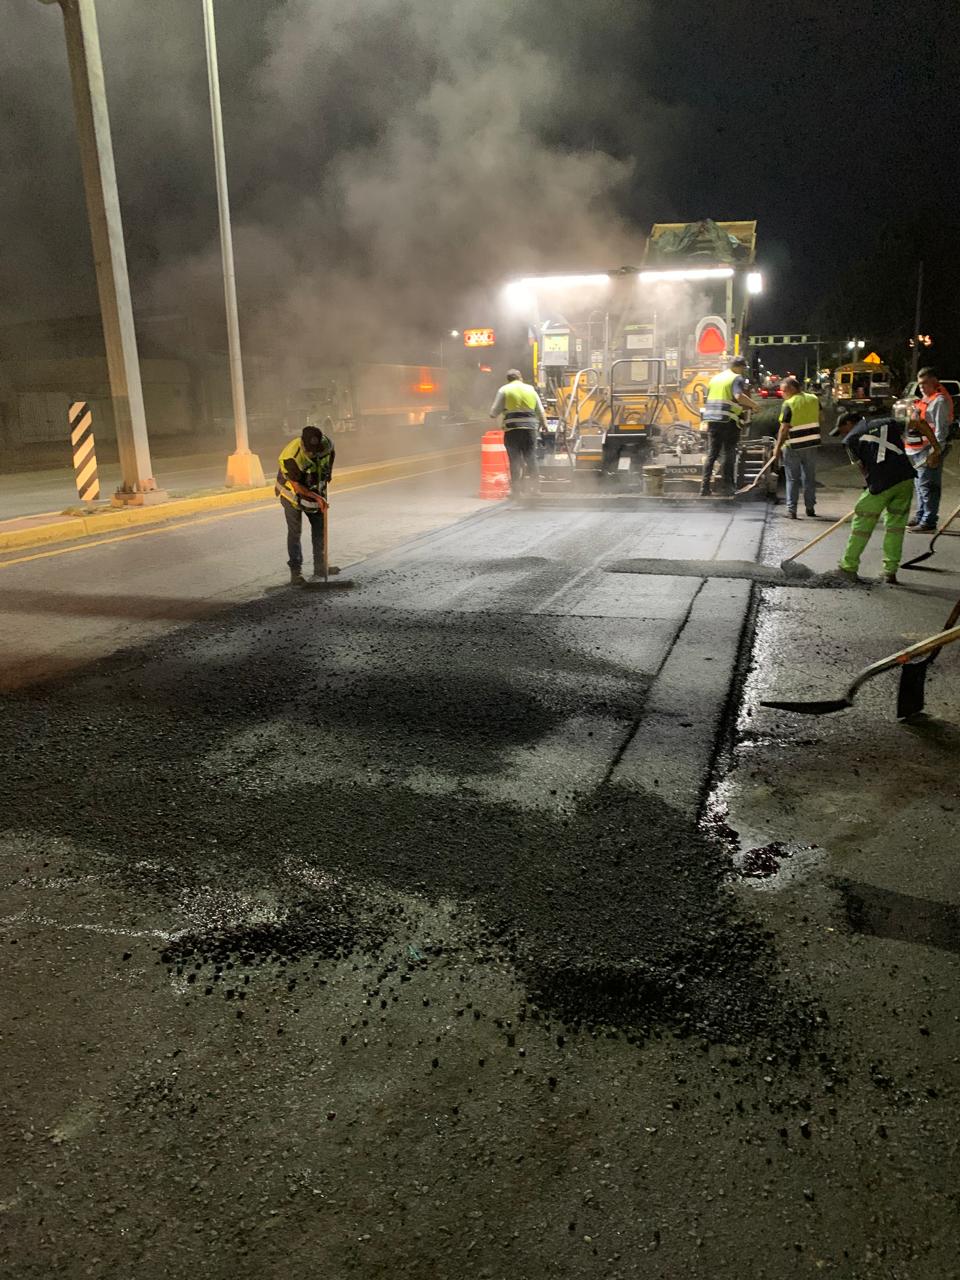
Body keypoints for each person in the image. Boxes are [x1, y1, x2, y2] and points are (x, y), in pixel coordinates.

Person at [835, 406, 940, 584]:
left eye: (841, 429)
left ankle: (848, 567)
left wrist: (872, 488)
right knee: (895, 528)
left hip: (881, 484)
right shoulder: (889, 422)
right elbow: (920, 422)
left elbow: (864, 470)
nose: (841, 434)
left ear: (849, 423)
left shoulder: (850, 440)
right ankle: (890, 571)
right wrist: (935, 449)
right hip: (905, 479)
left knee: (861, 526)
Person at [276, 422, 339, 584]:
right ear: (302, 443)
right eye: (309, 451)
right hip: (292, 495)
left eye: (315, 451)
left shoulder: (327, 446)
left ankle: (321, 567)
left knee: (319, 530)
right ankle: (296, 573)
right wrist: (317, 497)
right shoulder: (291, 456)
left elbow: (328, 464)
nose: (312, 454)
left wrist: (325, 482)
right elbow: (297, 486)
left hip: (315, 492)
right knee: (295, 532)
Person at [699, 355, 759, 495]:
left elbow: (708, 398)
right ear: (738, 367)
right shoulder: (736, 378)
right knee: (729, 453)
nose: (743, 371)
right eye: (743, 368)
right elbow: (739, 397)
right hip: (728, 421)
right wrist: (754, 405)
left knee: (712, 454)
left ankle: (705, 487)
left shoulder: (715, 378)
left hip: (712, 420)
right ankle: (728, 487)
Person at [906, 367, 954, 532]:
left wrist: (936, 452)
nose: (921, 387)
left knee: (929, 486)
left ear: (934, 382)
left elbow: (941, 430)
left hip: (930, 450)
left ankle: (929, 521)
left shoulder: (938, 401)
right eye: (919, 384)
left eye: (924, 383)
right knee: (920, 485)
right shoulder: (926, 399)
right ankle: (921, 516)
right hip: (918, 450)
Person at [489, 368, 547, 494]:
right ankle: (535, 489)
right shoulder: (530, 389)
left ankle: (517, 491)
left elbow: (493, 413)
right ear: (520, 378)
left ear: (508, 379)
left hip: (512, 431)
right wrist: (545, 425)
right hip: (530, 431)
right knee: (531, 458)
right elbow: (541, 411)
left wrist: (502, 411)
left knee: (515, 461)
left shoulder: (504, 390)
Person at [772, 375, 822, 517]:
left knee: (793, 479)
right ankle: (810, 508)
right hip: (812, 444)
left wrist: (777, 448)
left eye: (784, 391)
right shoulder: (814, 399)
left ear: (792, 389)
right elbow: (820, 418)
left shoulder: (789, 403)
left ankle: (792, 510)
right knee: (809, 477)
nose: (782, 394)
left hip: (793, 446)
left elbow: (784, 428)